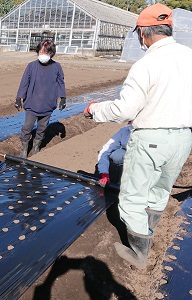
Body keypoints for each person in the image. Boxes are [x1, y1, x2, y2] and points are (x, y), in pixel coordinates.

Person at [83, 3, 192, 269]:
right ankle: (150, 230)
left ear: (143, 32)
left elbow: (125, 110)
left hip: (152, 137)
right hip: (183, 138)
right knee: (160, 189)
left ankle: (139, 253)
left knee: (132, 197)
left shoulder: (147, 64)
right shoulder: (189, 56)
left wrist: (94, 110)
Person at [15, 39, 66, 158]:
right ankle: (24, 148)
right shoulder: (31, 66)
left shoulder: (56, 67)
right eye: (41, 51)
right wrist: (19, 98)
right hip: (32, 103)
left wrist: (63, 98)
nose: (43, 54)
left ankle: (36, 146)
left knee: (42, 128)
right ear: (38, 51)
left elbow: (60, 83)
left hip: (48, 104)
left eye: (46, 52)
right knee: (27, 127)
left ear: (51, 53)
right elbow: (24, 82)